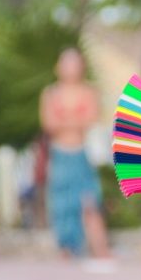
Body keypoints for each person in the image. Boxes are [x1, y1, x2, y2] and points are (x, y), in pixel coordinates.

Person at [40, 48, 112, 263]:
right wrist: (74, 122)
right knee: (61, 203)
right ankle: (66, 250)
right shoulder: (51, 93)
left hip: (81, 154)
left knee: (90, 200)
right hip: (60, 155)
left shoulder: (89, 91)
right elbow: (49, 124)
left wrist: (66, 122)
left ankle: (100, 248)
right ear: (58, 67)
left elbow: (91, 119)